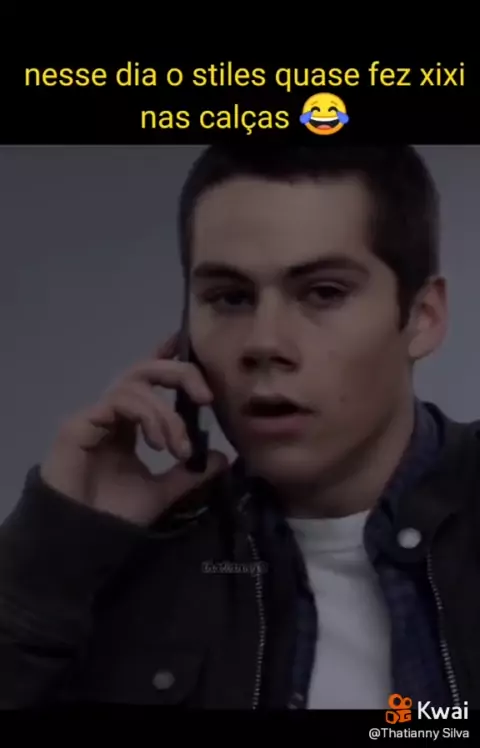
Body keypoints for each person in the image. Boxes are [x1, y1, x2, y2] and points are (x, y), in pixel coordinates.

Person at [1, 144, 479, 711]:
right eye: (230, 298)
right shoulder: (121, 568)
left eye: (324, 293)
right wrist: (53, 552)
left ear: (422, 317)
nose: (264, 343)